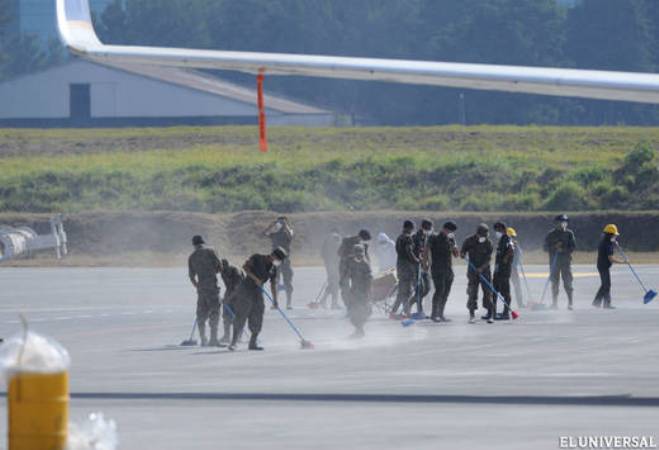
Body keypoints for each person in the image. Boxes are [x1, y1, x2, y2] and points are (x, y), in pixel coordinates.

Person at [228, 247, 287, 351]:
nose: (278, 262)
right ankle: (234, 342)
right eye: (278, 259)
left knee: (258, 316)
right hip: (245, 289)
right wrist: (256, 279)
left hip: (257, 292)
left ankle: (252, 343)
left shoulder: (274, 268)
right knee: (241, 315)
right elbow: (245, 267)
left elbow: (273, 284)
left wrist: (275, 300)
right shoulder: (257, 257)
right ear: (273, 255)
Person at [188, 235, 222, 347]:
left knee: (201, 314)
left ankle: (203, 339)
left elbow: (192, 277)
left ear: (194, 245)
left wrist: (198, 286)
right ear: (203, 242)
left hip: (201, 288)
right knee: (215, 312)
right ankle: (213, 339)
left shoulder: (192, 257)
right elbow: (220, 267)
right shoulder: (211, 251)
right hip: (212, 286)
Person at [425, 221, 459, 322]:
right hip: (437, 269)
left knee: (446, 293)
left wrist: (454, 245)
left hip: (448, 269)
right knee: (439, 291)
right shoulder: (433, 237)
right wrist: (424, 263)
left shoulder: (451, 239)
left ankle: (441, 314)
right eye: (449, 231)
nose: (450, 233)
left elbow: (456, 255)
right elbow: (426, 250)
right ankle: (434, 314)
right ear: (445, 229)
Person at [461, 224, 494, 323]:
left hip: (485, 271)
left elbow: (489, 259)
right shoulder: (469, 240)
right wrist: (462, 254)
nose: (484, 237)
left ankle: (490, 314)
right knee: (472, 293)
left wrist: (481, 268)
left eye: (485, 235)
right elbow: (462, 251)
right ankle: (472, 315)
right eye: (482, 235)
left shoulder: (489, 243)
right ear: (477, 234)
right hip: (472, 271)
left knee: (488, 293)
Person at [543, 214, 576, 310]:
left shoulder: (569, 234)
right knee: (554, 283)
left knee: (568, 282)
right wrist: (554, 247)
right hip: (554, 263)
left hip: (565, 262)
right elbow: (545, 248)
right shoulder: (551, 234)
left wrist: (563, 250)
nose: (563, 224)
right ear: (556, 223)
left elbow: (573, 247)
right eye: (561, 222)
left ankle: (570, 303)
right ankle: (554, 303)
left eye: (565, 222)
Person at [264, 217, 295, 309]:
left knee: (287, 281)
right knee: (274, 282)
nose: (280, 224)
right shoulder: (274, 234)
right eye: (279, 222)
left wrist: (286, 226)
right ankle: (275, 302)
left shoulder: (289, 232)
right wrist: (272, 225)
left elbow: (291, 236)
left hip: (285, 260)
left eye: (282, 222)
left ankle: (288, 303)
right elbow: (263, 234)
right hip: (276, 260)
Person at [391, 221, 419, 317]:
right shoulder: (407, 238)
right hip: (407, 267)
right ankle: (405, 313)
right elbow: (409, 251)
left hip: (400, 266)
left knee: (402, 292)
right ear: (410, 228)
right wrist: (416, 260)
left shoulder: (399, 238)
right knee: (406, 292)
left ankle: (397, 312)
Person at [345, 244, 373, 338]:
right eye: (357, 253)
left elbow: (369, 279)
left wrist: (367, 292)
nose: (359, 255)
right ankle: (359, 330)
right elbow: (348, 275)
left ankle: (359, 330)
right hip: (354, 291)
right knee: (352, 312)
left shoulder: (365, 264)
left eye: (360, 253)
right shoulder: (351, 262)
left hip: (363, 292)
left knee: (361, 311)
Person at [593, 224, 623, 309]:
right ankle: (606, 304)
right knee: (607, 285)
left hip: (602, 265)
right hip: (603, 267)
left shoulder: (605, 242)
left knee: (604, 284)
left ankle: (596, 302)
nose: (615, 237)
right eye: (614, 235)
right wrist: (623, 262)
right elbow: (611, 258)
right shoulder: (607, 245)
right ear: (610, 235)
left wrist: (614, 243)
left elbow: (610, 246)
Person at [338, 229, 372, 307]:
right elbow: (339, 253)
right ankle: (350, 307)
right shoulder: (349, 242)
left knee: (352, 288)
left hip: (352, 268)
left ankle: (353, 306)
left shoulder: (350, 241)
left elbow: (366, 256)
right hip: (347, 268)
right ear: (363, 238)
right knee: (347, 288)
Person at [219, 258, 245, 345]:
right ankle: (227, 335)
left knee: (237, 315)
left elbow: (238, 287)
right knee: (226, 314)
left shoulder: (236, 271)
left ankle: (238, 336)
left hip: (240, 293)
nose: (221, 270)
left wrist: (228, 298)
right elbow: (229, 286)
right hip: (230, 291)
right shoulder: (222, 272)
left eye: (223, 268)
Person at [492, 222, 515, 320]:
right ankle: (493, 312)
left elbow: (511, 249)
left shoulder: (507, 238)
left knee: (505, 291)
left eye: (497, 230)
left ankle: (506, 313)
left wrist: (506, 258)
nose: (496, 232)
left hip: (504, 270)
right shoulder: (501, 240)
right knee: (494, 291)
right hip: (498, 270)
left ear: (502, 229)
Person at [411, 219, 433, 316]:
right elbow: (412, 252)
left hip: (425, 267)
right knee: (419, 289)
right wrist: (418, 259)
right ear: (423, 227)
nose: (429, 230)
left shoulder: (427, 236)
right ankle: (420, 311)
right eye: (428, 228)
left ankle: (409, 303)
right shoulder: (415, 237)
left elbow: (427, 251)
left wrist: (427, 262)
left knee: (427, 288)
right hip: (416, 266)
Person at [320, 229, 342, 309]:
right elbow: (339, 251)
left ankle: (323, 300)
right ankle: (333, 303)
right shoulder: (337, 237)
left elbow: (322, 254)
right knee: (335, 284)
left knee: (333, 283)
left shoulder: (326, 238)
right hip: (334, 265)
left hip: (329, 264)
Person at [507, 227, 526, 309]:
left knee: (517, 286)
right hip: (506, 269)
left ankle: (520, 303)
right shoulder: (504, 244)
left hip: (513, 269)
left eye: (513, 237)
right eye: (511, 237)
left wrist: (518, 260)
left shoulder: (515, 244)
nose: (513, 238)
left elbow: (520, 254)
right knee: (504, 287)